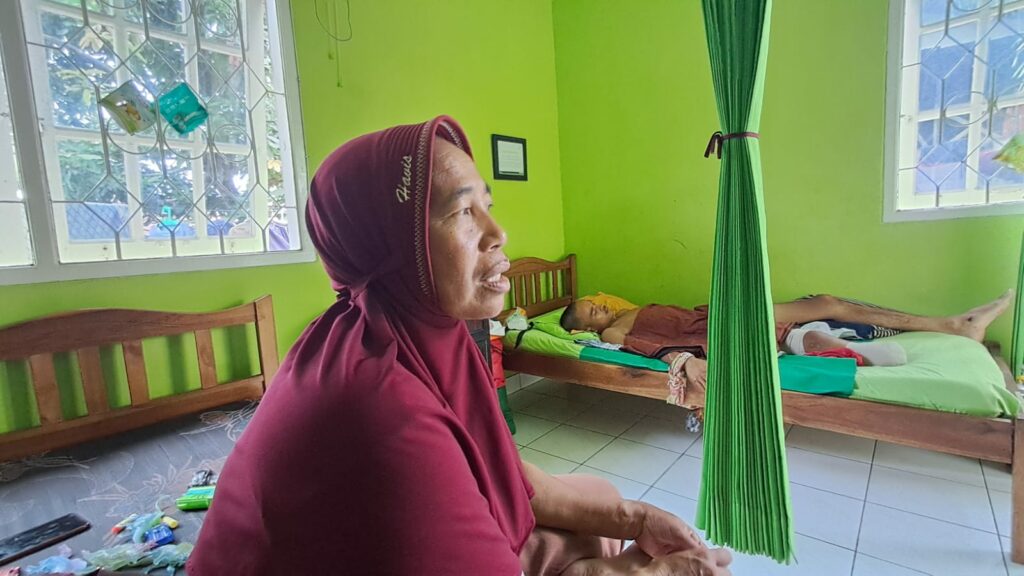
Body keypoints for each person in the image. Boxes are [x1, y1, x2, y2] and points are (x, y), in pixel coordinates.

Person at [187, 117, 732, 575]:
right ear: (392, 245)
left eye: (487, 205)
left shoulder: (425, 335)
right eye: (462, 212)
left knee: (603, 502)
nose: (499, 233)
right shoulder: (381, 410)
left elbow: (510, 477)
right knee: (602, 543)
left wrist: (637, 517)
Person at [559, 292, 1013, 394]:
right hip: (716, 329)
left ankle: (952, 325)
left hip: (718, 312)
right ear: (583, 329)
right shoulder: (610, 333)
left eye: (595, 303)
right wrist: (683, 359)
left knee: (827, 302)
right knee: (823, 309)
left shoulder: (629, 305)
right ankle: (955, 327)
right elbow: (641, 348)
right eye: (590, 312)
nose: (599, 308)